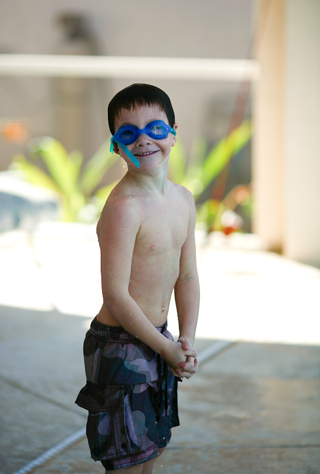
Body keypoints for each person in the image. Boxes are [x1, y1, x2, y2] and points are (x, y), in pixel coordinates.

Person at [76, 83, 200, 474]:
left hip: (158, 338)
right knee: (128, 459)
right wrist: (165, 350)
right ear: (116, 145)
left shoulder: (183, 200)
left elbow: (188, 275)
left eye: (156, 128)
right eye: (128, 132)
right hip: (120, 348)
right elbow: (115, 295)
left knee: (152, 449)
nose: (144, 139)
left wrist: (186, 339)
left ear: (173, 133)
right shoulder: (123, 209)